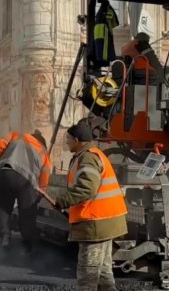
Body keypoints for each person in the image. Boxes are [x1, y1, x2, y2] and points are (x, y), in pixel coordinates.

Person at [50, 123, 127, 291]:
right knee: (103, 271)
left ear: (76, 140)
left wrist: (64, 200)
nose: (67, 143)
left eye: (68, 139)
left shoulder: (87, 158)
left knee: (88, 273)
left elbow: (88, 188)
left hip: (96, 223)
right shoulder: (93, 154)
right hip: (106, 221)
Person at [0, 130, 51, 252]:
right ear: (41, 142)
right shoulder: (43, 150)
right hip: (26, 181)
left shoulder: (17, 135)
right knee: (27, 211)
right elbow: (45, 171)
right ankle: (27, 242)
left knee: (3, 206)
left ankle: (5, 236)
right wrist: (41, 191)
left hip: (5, 173)